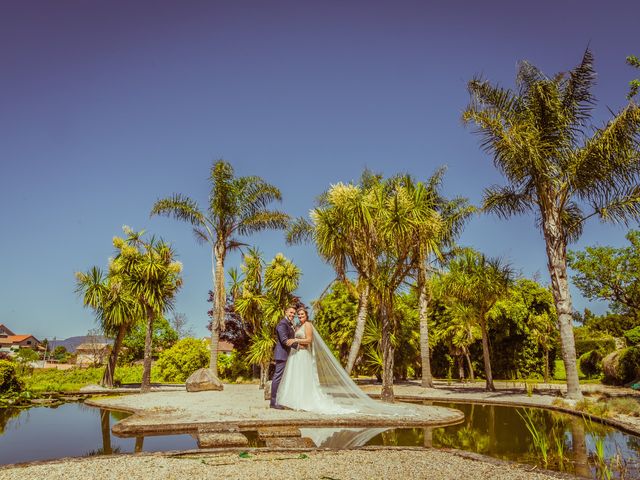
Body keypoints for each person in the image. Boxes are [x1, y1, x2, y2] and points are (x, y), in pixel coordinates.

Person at [276, 306, 414, 417]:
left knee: (305, 379)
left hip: (303, 354)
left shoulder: (308, 325)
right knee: (298, 379)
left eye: (301, 315)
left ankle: (304, 402)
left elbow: (309, 340)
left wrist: (295, 340)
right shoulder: (297, 326)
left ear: (306, 315)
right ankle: (296, 401)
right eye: (298, 315)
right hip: (297, 356)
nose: (299, 316)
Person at [270, 305, 298, 409]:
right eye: (291, 313)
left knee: (284, 378)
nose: (292, 315)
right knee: (278, 377)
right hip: (282, 354)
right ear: (285, 312)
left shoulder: (290, 324)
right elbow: (284, 340)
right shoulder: (282, 324)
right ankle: (273, 402)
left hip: (288, 354)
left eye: (294, 314)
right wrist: (299, 345)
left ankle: (281, 399)